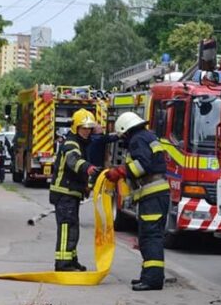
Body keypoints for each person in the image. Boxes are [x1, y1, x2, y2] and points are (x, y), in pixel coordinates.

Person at [105, 111, 169, 291]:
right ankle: (149, 276)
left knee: (150, 237)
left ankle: (152, 280)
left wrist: (121, 171)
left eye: (122, 135)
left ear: (126, 130)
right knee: (150, 236)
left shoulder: (137, 140)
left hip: (153, 195)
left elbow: (143, 165)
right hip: (157, 194)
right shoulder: (147, 136)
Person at [49, 109, 101, 272]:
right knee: (66, 228)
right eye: (83, 128)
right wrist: (89, 168)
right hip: (64, 193)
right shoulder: (72, 144)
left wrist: (85, 186)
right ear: (76, 128)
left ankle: (71, 260)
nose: (87, 131)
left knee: (73, 228)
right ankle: (63, 264)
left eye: (89, 128)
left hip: (71, 193)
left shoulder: (80, 143)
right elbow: (73, 161)